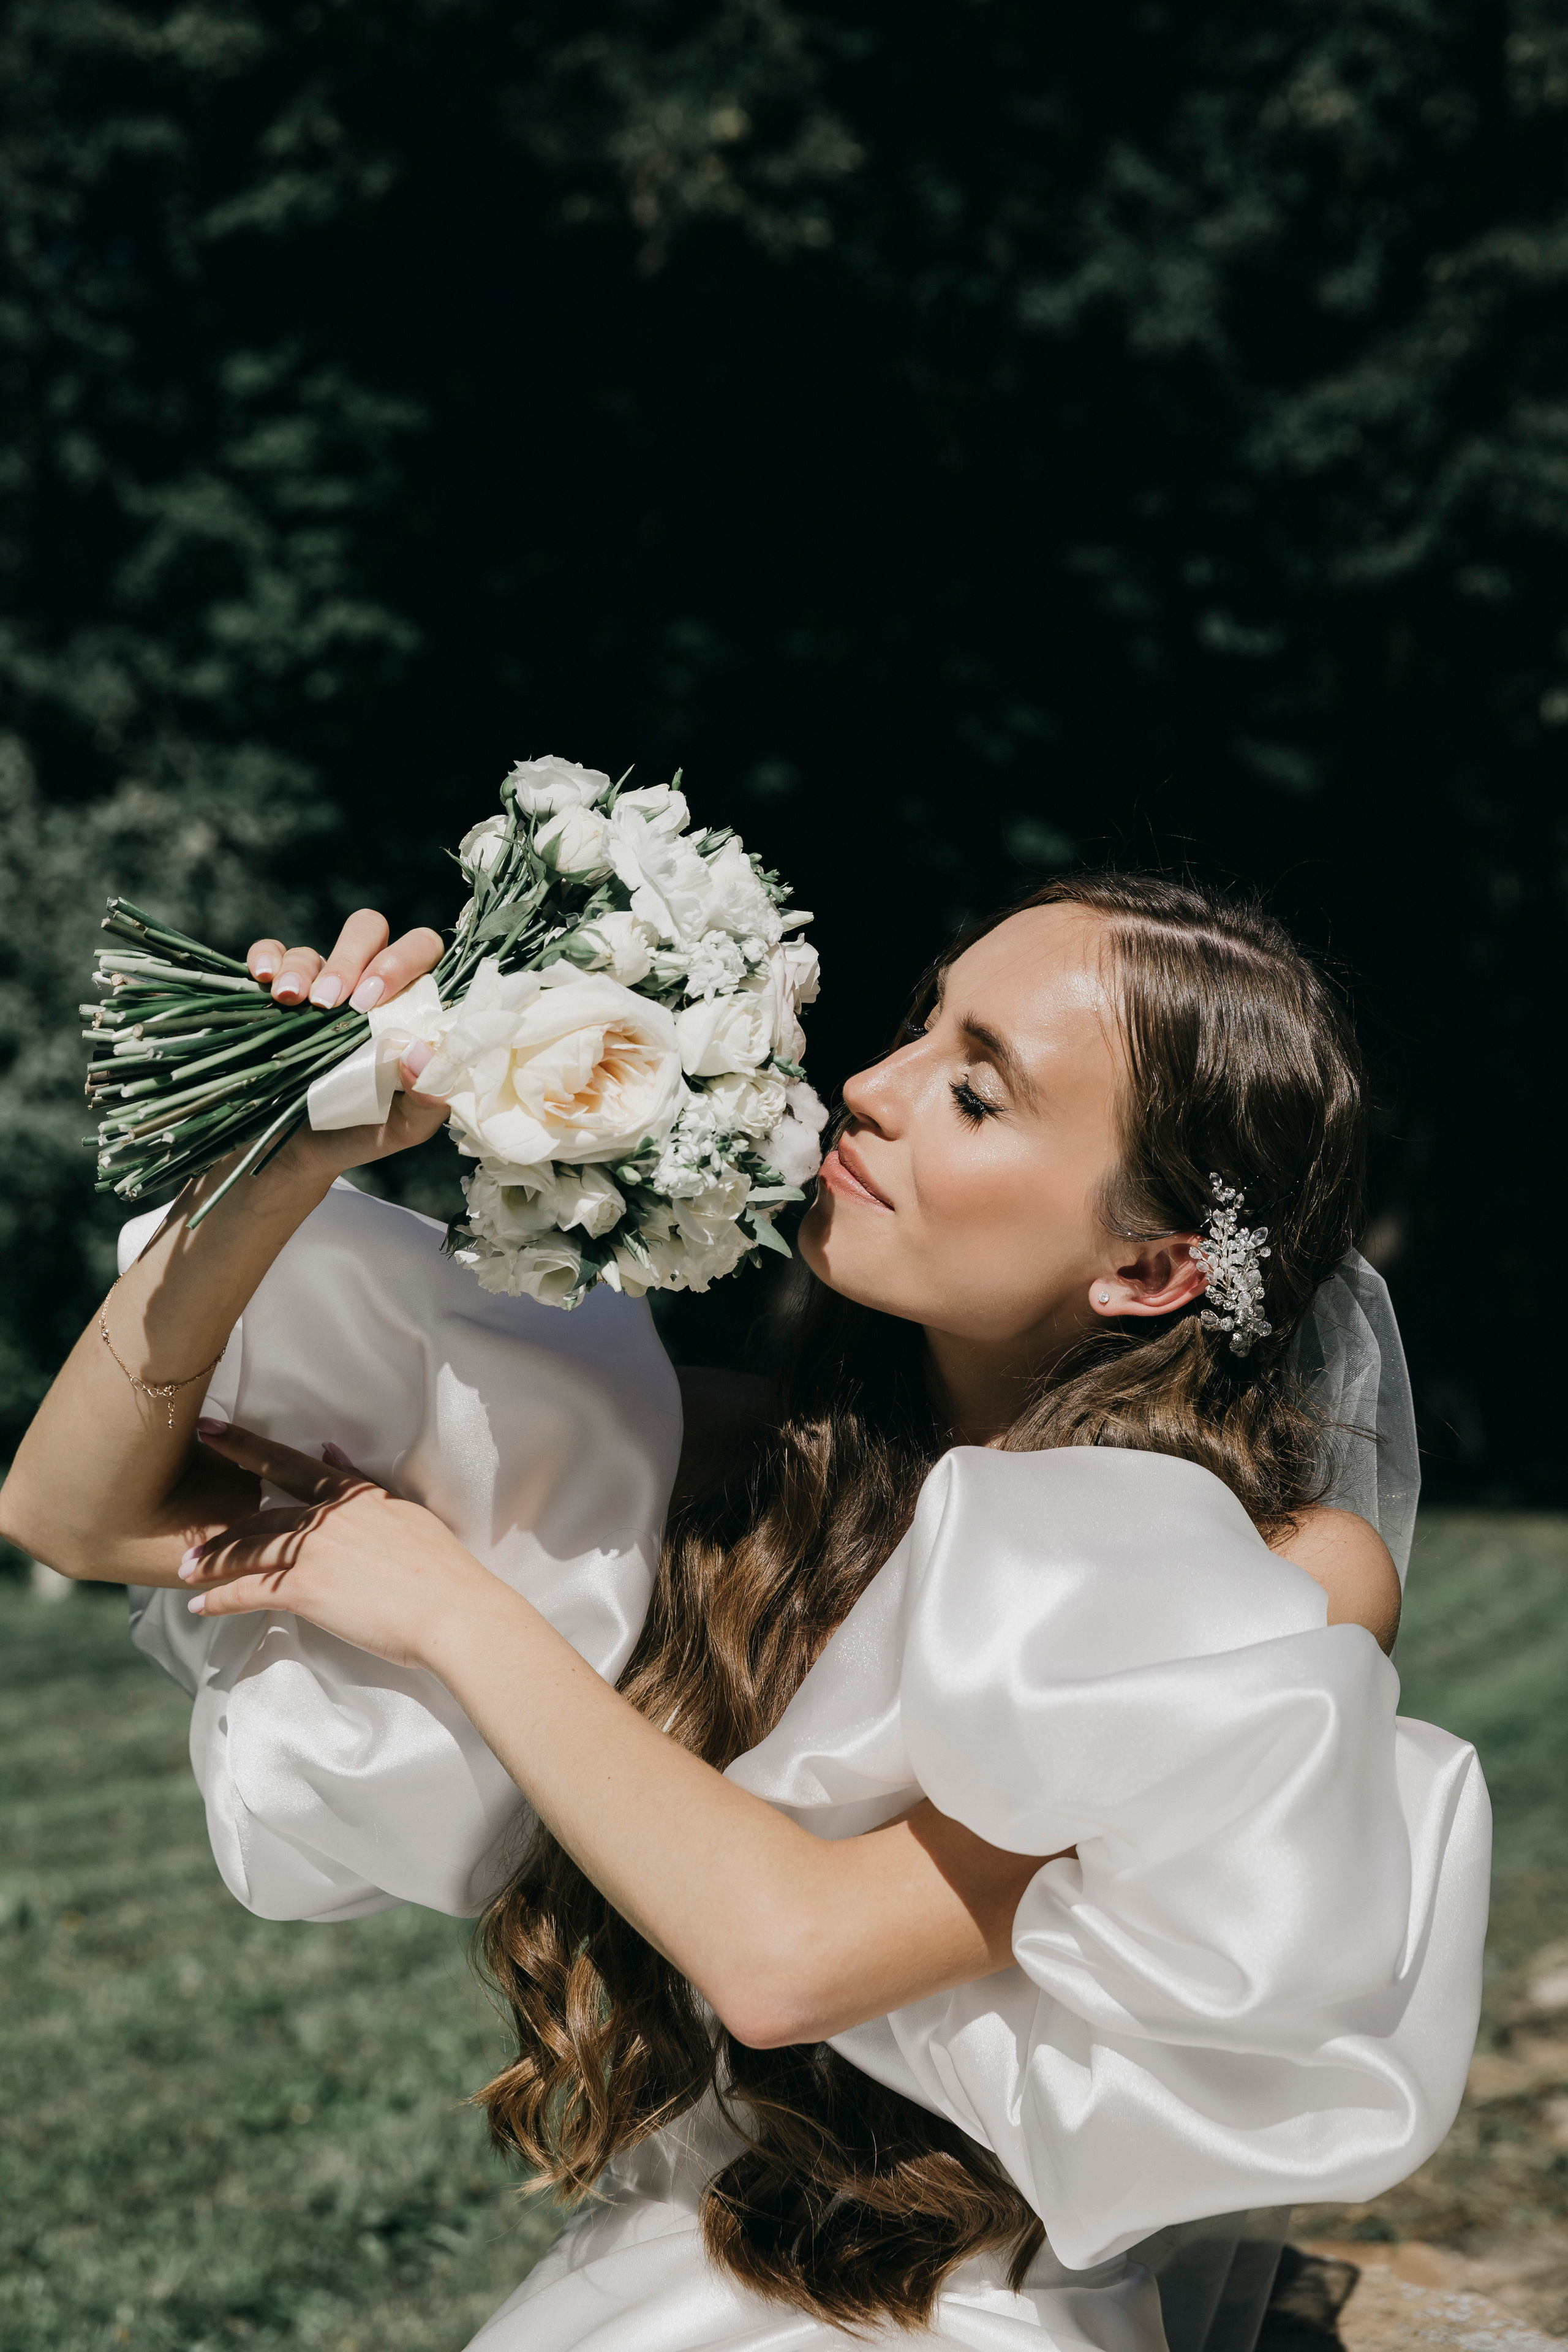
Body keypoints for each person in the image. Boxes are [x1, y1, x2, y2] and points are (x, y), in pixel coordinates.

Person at [1, 874, 1489, 2352]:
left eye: (975, 1092)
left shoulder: (1276, 1577)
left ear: (1150, 1268)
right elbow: (82, 1514)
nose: (872, 1086)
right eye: (920, 1025)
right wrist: (290, 1157)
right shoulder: (745, 1470)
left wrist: (454, 1607)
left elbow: (792, 1962)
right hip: (651, 2277)